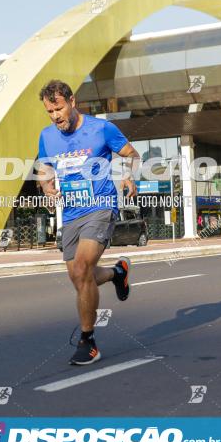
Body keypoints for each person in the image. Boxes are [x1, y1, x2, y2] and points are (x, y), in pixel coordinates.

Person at [36, 79, 141, 365]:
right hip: (71, 213)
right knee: (79, 277)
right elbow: (44, 167)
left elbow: (132, 154)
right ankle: (118, 273)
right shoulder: (47, 136)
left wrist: (128, 175)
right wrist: (46, 186)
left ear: (72, 101)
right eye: (50, 111)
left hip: (101, 206)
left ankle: (88, 341)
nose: (56, 116)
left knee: (82, 268)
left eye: (58, 108)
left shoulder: (101, 128)